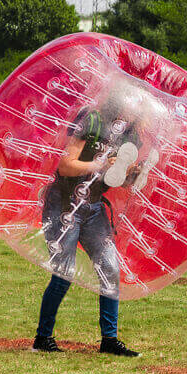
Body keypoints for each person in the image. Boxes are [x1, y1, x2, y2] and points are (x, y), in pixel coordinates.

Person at [32, 92, 150, 356]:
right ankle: (43, 337)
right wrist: (98, 165)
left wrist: (129, 174)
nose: (134, 115)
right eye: (132, 108)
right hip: (66, 204)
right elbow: (65, 166)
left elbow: (110, 180)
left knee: (110, 268)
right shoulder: (93, 120)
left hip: (94, 207)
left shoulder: (128, 136)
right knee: (64, 273)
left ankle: (109, 340)